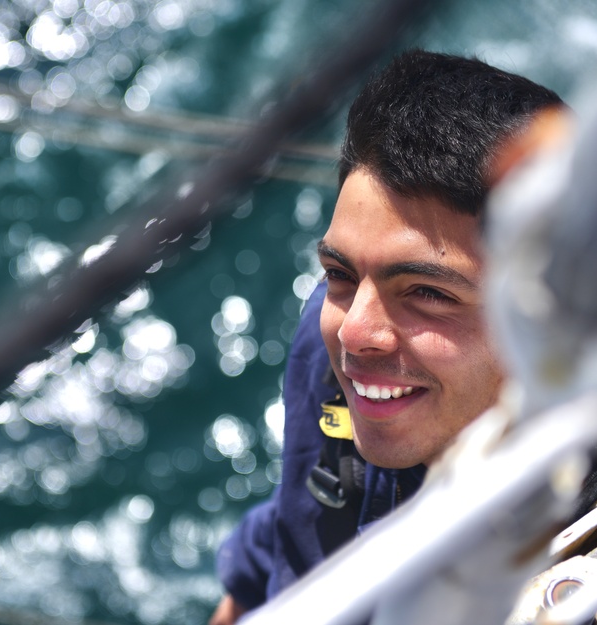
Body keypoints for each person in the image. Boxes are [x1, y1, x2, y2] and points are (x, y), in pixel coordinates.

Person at [209, 50, 568, 625]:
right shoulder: (325, 336)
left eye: (428, 292)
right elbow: (280, 538)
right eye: (341, 274)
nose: (355, 335)